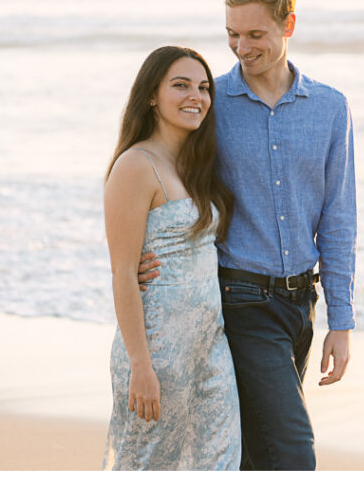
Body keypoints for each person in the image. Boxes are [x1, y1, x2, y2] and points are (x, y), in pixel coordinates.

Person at [138, 0, 357, 470]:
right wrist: (142, 260)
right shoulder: (210, 106)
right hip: (239, 301)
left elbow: (339, 219)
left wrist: (341, 321)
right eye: (232, 34)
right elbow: (158, 178)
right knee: (292, 453)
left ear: (289, 26)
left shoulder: (330, 108)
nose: (241, 47)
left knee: (254, 452)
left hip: (302, 305)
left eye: (254, 34)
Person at [103, 46, 241, 470]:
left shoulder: (196, 164)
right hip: (157, 350)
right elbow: (124, 272)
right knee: (150, 468)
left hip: (211, 348)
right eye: (180, 85)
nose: (195, 96)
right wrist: (141, 366)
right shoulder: (135, 164)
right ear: (151, 95)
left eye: (203, 87)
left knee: (219, 465)